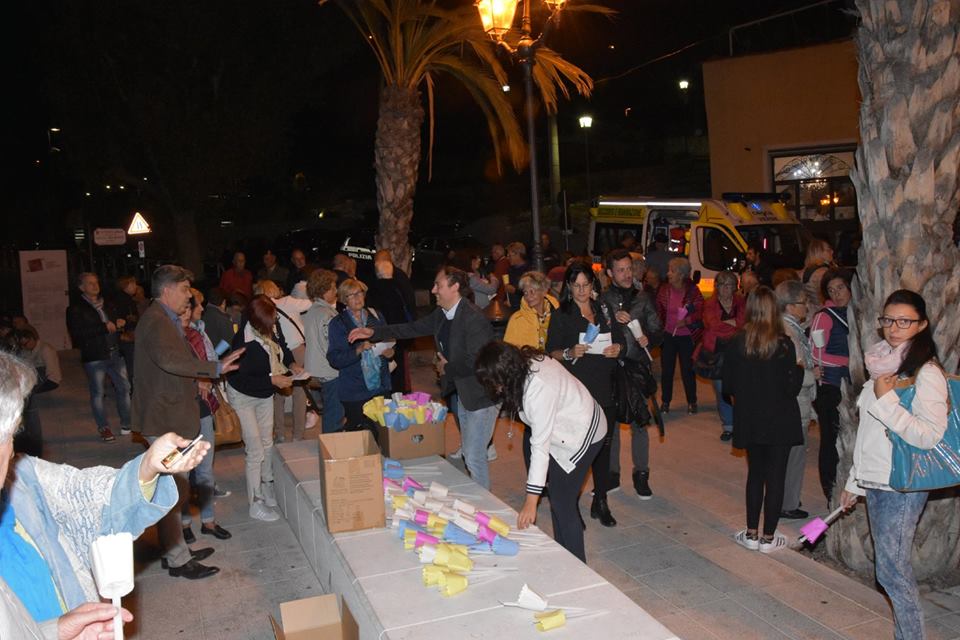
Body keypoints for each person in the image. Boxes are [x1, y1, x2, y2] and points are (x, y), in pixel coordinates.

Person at [0, 350, 210, 633]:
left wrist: (147, 467)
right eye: (12, 433)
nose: (13, 448)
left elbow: (87, 496)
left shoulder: (22, 475)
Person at [840, 290, 948, 640]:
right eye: (888, 320)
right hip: (877, 481)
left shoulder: (926, 372)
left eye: (905, 321)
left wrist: (887, 401)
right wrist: (854, 484)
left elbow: (929, 435)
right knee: (889, 571)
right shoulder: (882, 363)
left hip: (900, 486)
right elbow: (869, 434)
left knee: (893, 574)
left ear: (922, 324)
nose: (894, 328)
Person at [133, 264, 242, 579]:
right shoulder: (156, 322)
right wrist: (214, 367)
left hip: (171, 415)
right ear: (167, 291)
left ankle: (175, 551)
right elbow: (169, 360)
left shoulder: (163, 320)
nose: (190, 297)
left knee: (173, 489)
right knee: (168, 493)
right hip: (162, 418)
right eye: (184, 290)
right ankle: (179, 560)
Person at [347, 268, 499, 489]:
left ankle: (486, 508)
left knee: (474, 456)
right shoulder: (443, 313)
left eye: (439, 285)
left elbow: (478, 361)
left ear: (455, 287)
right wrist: (375, 333)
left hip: (482, 395)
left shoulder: (473, 318)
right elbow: (412, 328)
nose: (433, 289)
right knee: (469, 452)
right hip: (464, 391)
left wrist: (446, 366)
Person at [475, 342, 606, 563]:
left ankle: (577, 566)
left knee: (563, 501)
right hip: (563, 428)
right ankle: (563, 553)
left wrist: (530, 501)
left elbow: (540, 446)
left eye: (495, 382)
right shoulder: (522, 369)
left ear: (506, 373)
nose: (495, 388)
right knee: (557, 494)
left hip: (584, 432)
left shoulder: (539, 388)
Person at [723, 287, 803, 553]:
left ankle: (751, 533)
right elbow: (791, 388)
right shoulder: (783, 345)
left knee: (755, 475)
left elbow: (728, 387)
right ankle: (769, 538)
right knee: (776, 477)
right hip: (780, 420)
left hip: (751, 420)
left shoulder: (737, 342)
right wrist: (800, 369)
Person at [546, 261, 624, 527]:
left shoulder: (604, 310)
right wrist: (569, 353)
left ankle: (600, 501)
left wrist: (617, 348)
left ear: (593, 284)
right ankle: (570, 504)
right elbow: (551, 352)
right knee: (578, 452)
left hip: (605, 389)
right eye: (576, 285)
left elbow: (620, 339)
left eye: (586, 284)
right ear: (569, 287)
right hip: (577, 394)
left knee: (604, 447)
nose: (581, 290)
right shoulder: (562, 314)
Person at [227, 294, 299, 521]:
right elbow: (238, 379)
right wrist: (272, 381)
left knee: (267, 442)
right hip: (243, 396)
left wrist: (291, 363)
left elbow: (283, 346)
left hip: (264, 393)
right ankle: (255, 502)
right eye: (269, 324)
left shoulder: (272, 323)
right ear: (256, 322)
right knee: (255, 448)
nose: (273, 326)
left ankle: (267, 484)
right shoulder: (243, 341)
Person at [601, 249, 662, 496]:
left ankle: (641, 475)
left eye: (629, 268)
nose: (627, 274)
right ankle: (612, 475)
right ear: (610, 273)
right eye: (621, 270)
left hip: (637, 369)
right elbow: (593, 331)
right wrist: (612, 320)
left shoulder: (643, 298)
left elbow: (658, 331)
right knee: (611, 424)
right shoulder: (602, 300)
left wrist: (650, 338)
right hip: (611, 369)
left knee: (640, 422)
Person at [179, 290, 231, 541]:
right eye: (186, 308)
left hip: (202, 409)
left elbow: (211, 362)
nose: (189, 312)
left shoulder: (198, 334)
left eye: (191, 307)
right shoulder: (167, 339)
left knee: (205, 470)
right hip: (178, 413)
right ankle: (184, 523)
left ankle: (208, 522)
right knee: (183, 472)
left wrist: (207, 377)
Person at [503, 271, 560, 469]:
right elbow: (508, 355)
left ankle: (554, 473)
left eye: (533, 290)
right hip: (531, 383)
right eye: (526, 292)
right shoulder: (517, 320)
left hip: (556, 379)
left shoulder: (559, 312)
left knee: (555, 429)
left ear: (544, 290)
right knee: (533, 431)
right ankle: (535, 478)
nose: (529, 295)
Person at [66, 272, 131, 442]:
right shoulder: (76, 308)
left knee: (124, 388)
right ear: (81, 287)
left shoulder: (107, 304)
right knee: (98, 393)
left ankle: (127, 424)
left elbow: (115, 322)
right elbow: (77, 334)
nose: (95, 286)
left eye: (96, 282)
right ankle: (104, 427)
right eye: (90, 283)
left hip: (115, 351)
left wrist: (119, 323)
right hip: (95, 356)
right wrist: (103, 327)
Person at [326, 279, 393, 432]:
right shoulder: (338, 323)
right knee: (360, 434)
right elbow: (334, 359)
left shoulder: (376, 316)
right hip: (355, 390)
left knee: (383, 432)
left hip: (380, 386)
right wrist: (359, 349)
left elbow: (389, 341)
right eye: (351, 295)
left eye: (359, 293)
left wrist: (389, 352)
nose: (357, 298)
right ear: (344, 300)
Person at [809, 268, 853, 503]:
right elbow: (816, 355)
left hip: (852, 388)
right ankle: (830, 491)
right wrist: (851, 362)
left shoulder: (856, 312)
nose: (837, 294)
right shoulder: (824, 316)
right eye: (831, 290)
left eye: (840, 288)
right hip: (831, 388)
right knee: (830, 441)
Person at [776, 280, 816, 519]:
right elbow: (794, 372)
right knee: (795, 455)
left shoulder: (786, 327)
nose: (807, 307)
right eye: (803, 303)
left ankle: (785, 498)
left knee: (790, 455)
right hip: (797, 401)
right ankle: (788, 503)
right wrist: (814, 375)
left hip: (790, 402)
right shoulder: (789, 332)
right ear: (790, 306)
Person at [255, 280, 312, 443]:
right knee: (300, 395)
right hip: (297, 351)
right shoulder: (287, 301)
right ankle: (297, 435)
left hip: (278, 353)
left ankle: (279, 433)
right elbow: (310, 304)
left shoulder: (262, 312)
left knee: (278, 396)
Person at [695, 270, 745, 441]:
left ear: (735, 287)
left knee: (740, 389)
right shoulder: (710, 304)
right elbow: (713, 325)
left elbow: (745, 323)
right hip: (716, 353)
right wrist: (733, 325)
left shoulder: (741, 302)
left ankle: (741, 423)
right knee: (721, 389)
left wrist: (731, 324)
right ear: (716, 286)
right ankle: (728, 425)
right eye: (722, 285)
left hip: (738, 352)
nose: (725, 288)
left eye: (730, 285)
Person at [656, 257, 703, 414]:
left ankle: (692, 401)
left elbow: (701, 311)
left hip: (686, 336)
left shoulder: (693, 291)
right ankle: (665, 401)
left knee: (687, 370)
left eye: (672, 270)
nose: (668, 273)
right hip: (669, 335)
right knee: (667, 371)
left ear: (682, 274)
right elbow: (658, 311)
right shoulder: (664, 290)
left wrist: (686, 321)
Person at [368, 251, 418, 392]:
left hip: (386, 337)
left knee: (390, 372)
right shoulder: (399, 282)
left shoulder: (376, 289)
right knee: (399, 370)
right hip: (401, 335)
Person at [303, 269, 344, 433]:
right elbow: (331, 344)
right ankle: (332, 448)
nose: (336, 291)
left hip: (318, 367)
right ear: (324, 290)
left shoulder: (313, 311)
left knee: (330, 410)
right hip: (330, 369)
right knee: (335, 413)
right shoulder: (327, 314)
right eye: (333, 288)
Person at [13, 327, 61, 457]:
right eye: (22, 344)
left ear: (34, 339)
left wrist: (36, 388)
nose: (25, 346)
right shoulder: (25, 350)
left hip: (47, 380)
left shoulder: (46, 350)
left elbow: (54, 376)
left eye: (27, 343)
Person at [112, 275, 141, 386]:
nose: (135, 287)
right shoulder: (123, 300)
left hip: (128, 335)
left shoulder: (127, 299)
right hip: (127, 337)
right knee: (130, 365)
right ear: (125, 285)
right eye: (132, 284)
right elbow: (125, 319)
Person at [802, 238, 836, 321]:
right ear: (818, 252)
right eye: (828, 250)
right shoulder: (823, 272)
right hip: (821, 314)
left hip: (809, 314)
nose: (832, 252)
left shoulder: (806, 270)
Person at [503, 242, 530, 310]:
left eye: (509, 255)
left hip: (525, 309)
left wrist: (515, 291)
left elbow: (532, 292)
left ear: (517, 254)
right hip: (512, 308)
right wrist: (506, 299)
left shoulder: (529, 270)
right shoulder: (510, 270)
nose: (507, 258)